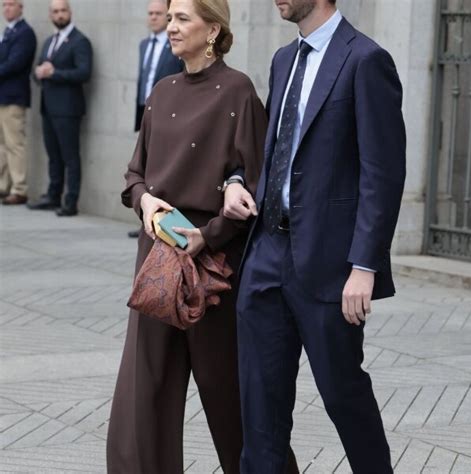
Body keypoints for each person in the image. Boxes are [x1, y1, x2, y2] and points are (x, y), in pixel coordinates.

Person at [224, 0, 406, 472]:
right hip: (265, 253)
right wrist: (237, 183)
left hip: (330, 265)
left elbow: (381, 174)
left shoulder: (366, 60)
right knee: (259, 410)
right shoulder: (284, 60)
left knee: (344, 397)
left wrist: (364, 266)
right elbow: (270, 147)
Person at [106, 0, 269, 472]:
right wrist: (143, 200)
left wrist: (210, 235)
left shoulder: (238, 92)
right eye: (170, 18)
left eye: (183, 19)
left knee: (228, 398)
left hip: (212, 268)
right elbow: (134, 172)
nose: (171, 27)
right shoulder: (162, 89)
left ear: (213, 30)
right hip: (157, 260)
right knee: (145, 396)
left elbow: (257, 187)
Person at [28, 0, 92, 217]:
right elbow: (37, 70)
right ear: (51, 15)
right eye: (55, 11)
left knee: (70, 157)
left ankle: (70, 201)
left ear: (70, 13)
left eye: (63, 10)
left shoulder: (80, 41)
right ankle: (52, 196)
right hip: (47, 107)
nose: (59, 14)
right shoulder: (49, 42)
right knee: (53, 156)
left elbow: (84, 72)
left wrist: (54, 73)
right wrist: (38, 74)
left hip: (68, 109)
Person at [128, 0, 183, 239]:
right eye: (150, 13)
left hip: (171, 115)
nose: (153, 18)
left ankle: (167, 222)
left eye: (159, 14)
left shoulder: (176, 47)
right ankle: (147, 218)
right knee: (145, 167)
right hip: (146, 110)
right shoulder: (144, 45)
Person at [0, 0, 36, 205]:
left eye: (11, 4)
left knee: (15, 144)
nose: (7, 8)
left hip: (14, 98)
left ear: (21, 7)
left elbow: (15, 63)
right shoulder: (7, 32)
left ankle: (19, 188)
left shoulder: (25, 33)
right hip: (2, 96)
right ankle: (3, 185)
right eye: (4, 5)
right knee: (2, 145)